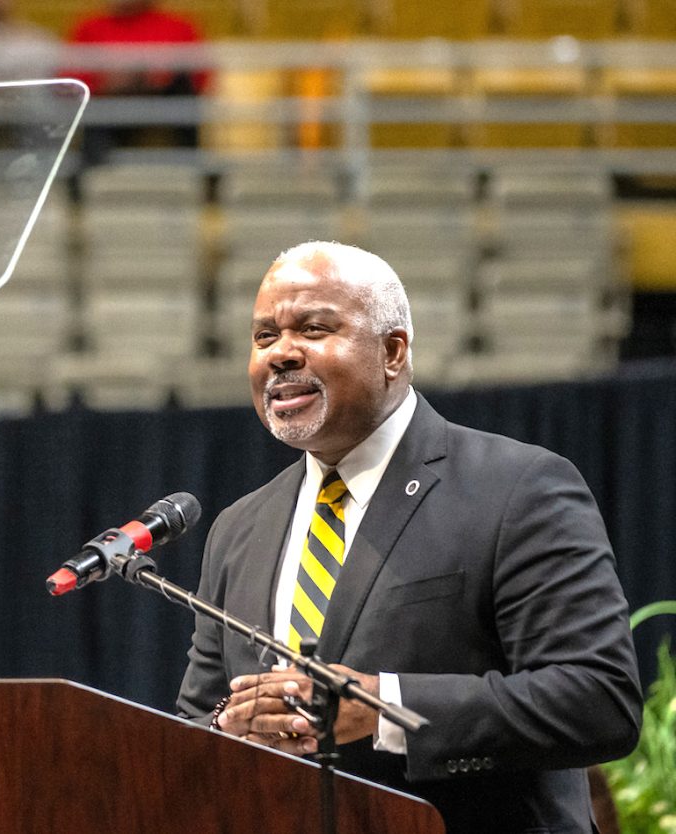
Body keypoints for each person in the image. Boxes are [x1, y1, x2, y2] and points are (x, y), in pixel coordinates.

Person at [176, 241, 642, 834]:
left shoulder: (518, 488)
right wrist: (229, 726)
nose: (280, 354)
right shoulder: (240, 527)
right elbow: (195, 723)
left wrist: (384, 706)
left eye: (313, 328)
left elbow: (599, 701)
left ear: (392, 351)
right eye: (264, 337)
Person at [65, 0, 209, 164]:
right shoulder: (90, 27)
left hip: (162, 101)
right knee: (95, 111)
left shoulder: (178, 26)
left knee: (182, 94)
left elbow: (200, 78)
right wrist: (107, 82)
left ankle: (195, 171)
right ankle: (87, 174)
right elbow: (71, 82)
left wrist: (157, 76)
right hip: (111, 105)